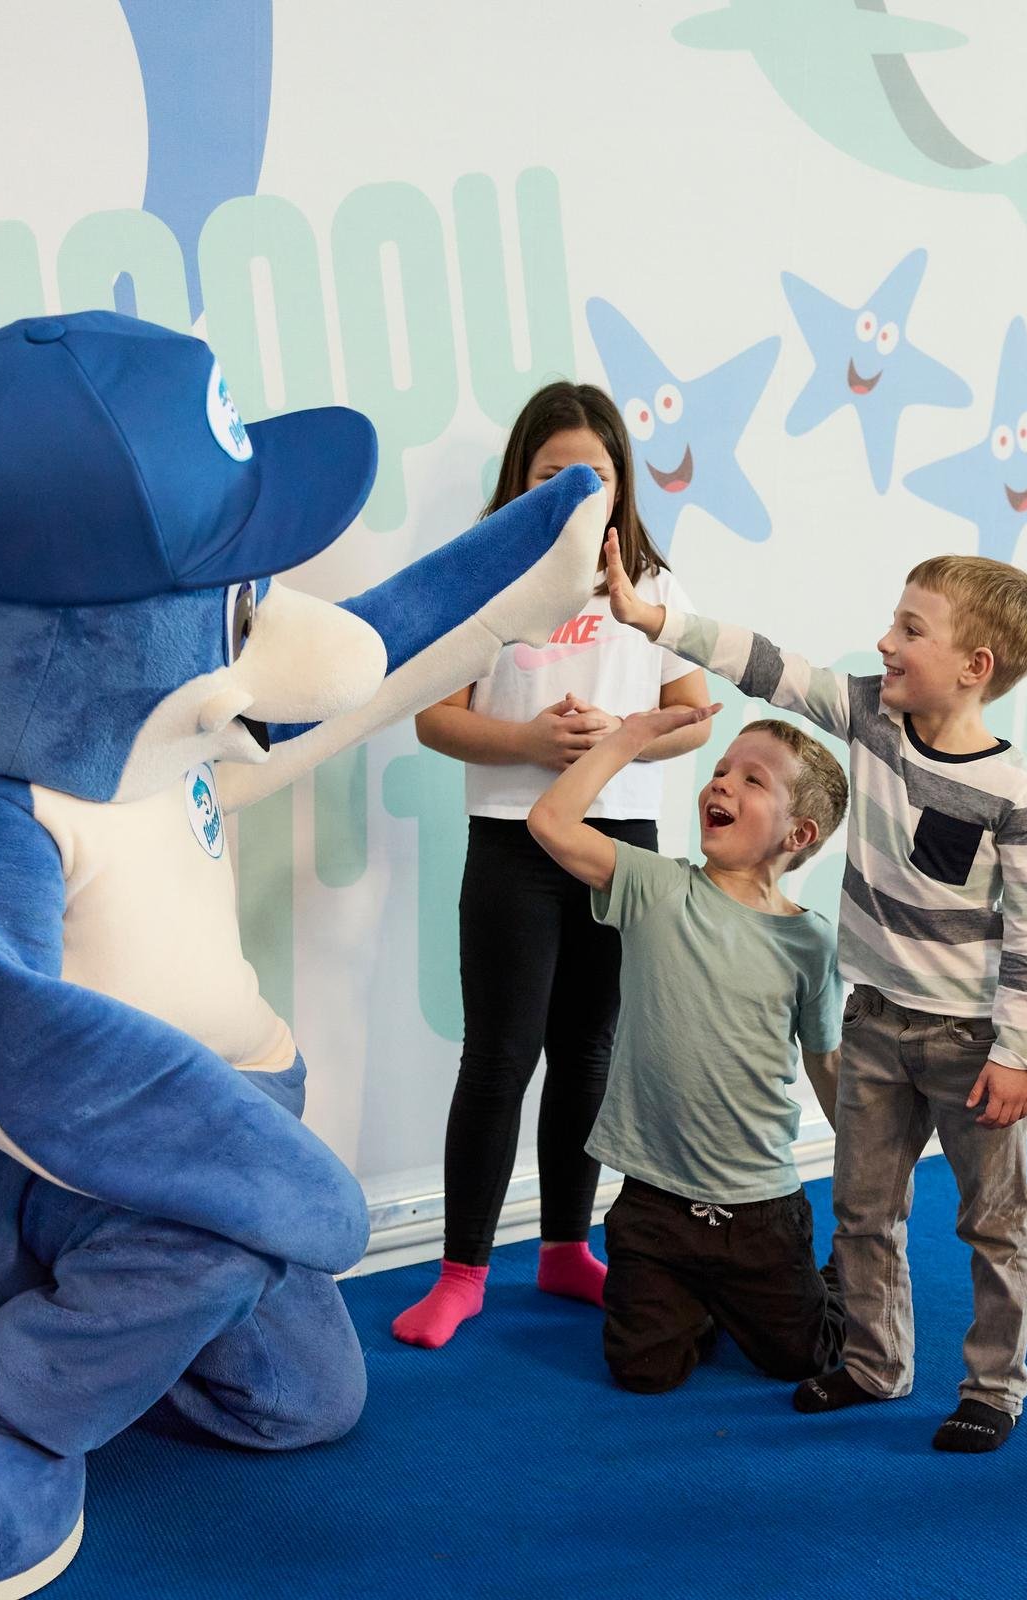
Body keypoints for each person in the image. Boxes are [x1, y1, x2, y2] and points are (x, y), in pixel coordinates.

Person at [606, 539, 1027, 1452]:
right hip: (876, 1026)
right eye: (894, 620)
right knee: (863, 1209)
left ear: (975, 668)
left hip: (970, 1043)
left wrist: (1017, 1053)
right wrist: (655, 620)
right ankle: (875, 1362)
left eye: (909, 629)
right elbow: (769, 664)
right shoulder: (868, 720)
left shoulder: (1017, 794)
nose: (884, 641)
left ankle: (994, 1387)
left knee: (994, 1221)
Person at [393, 383, 711, 1350]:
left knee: (590, 1053)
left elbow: (696, 715)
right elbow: (432, 717)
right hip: (514, 844)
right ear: (521, 483)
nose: (578, 491)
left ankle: (568, 1248)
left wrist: (614, 740)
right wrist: (532, 740)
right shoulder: (483, 583)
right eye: (553, 476)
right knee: (499, 1057)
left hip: (621, 850)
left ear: (623, 483)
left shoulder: (654, 585)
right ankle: (462, 1272)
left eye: (598, 475)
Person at [527, 704, 848, 1394]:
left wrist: (867, 1162)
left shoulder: (810, 942)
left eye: (753, 780)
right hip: (653, 1206)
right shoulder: (655, 887)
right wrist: (632, 738)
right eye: (721, 770)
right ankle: (699, 1303)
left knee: (804, 1358)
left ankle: (841, 1271)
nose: (722, 785)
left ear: (800, 833)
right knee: (643, 1371)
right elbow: (550, 822)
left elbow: (825, 1058)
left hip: (759, 1209)